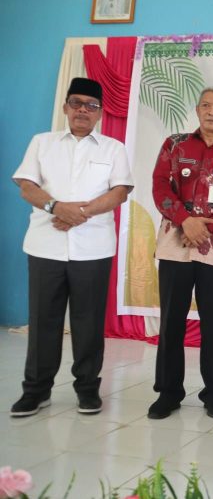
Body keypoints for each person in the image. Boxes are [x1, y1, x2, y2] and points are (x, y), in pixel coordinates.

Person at [10, 77, 133, 417]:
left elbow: (120, 192)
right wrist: (55, 207)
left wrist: (79, 213)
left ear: (100, 113)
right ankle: (35, 390)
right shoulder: (42, 142)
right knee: (43, 321)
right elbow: (26, 186)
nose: (83, 110)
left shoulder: (113, 148)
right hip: (45, 245)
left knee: (89, 322)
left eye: (90, 106)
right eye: (76, 103)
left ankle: (87, 390)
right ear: (65, 107)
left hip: (92, 249)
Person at [148, 86, 213, 420]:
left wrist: (204, 227)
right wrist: (185, 221)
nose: (212, 111)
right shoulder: (174, 145)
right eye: (206, 105)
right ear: (197, 110)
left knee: (212, 323)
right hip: (174, 245)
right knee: (171, 322)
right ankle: (168, 392)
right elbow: (160, 186)